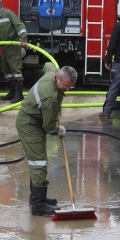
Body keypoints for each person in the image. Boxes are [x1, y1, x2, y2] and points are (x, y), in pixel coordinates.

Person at [16, 62, 77, 216]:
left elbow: (48, 64)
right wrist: (59, 130)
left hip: (34, 120)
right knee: (39, 163)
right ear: (58, 78)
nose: (67, 89)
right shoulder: (50, 98)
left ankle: (37, 197)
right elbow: (49, 127)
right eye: (65, 86)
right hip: (29, 125)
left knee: (38, 162)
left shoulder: (52, 72)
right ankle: (38, 205)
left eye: (70, 87)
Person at [0, 0, 28, 103]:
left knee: (16, 70)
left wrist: (23, 39)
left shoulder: (8, 13)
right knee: (6, 70)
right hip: (4, 48)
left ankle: (19, 94)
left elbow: (19, 25)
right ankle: (12, 92)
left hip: (13, 47)